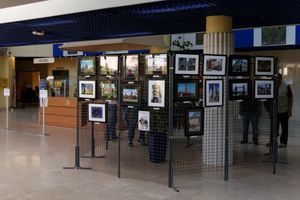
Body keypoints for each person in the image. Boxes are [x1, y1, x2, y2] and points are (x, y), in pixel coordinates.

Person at [277, 73, 293, 148]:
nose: (277, 80)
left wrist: (290, 110)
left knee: (284, 127)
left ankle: (283, 142)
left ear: (280, 78)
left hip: (284, 110)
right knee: (274, 127)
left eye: (278, 78)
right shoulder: (272, 86)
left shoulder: (286, 86)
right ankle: (272, 141)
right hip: (275, 111)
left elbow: (291, 98)